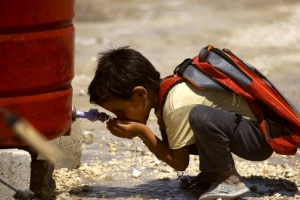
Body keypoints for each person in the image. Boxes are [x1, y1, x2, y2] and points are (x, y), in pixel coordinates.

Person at [88, 46, 274, 200]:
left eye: (120, 110)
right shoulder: (164, 93)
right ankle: (211, 174)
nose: (119, 117)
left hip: (258, 140)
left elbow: (179, 163)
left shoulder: (175, 105)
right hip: (242, 131)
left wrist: (142, 132)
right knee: (177, 135)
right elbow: (172, 148)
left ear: (140, 94)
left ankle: (231, 180)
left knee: (200, 117)